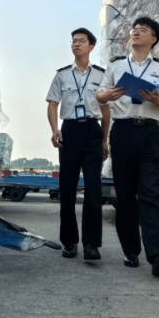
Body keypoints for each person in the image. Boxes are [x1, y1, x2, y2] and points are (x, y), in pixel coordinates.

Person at [96, 16, 159, 277]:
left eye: (143, 30)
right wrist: (107, 96)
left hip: (150, 133)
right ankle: (131, 251)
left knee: (152, 193)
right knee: (126, 196)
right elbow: (99, 94)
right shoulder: (116, 66)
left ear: (153, 39)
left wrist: (156, 99)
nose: (136, 32)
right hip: (123, 132)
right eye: (134, 30)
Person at [46, 27, 111, 260]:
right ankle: (70, 242)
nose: (76, 44)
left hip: (92, 131)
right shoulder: (62, 75)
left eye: (81, 41)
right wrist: (55, 130)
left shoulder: (101, 75)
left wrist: (104, 140)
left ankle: (92, 245)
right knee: (68, 188)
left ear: (91, 46)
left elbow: (105, 110)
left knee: (94, 189)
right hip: (70, 131)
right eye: (73, 41)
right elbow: (52, 103)